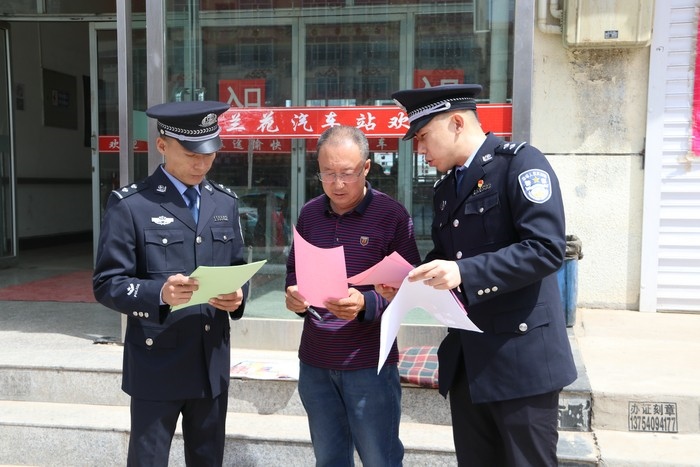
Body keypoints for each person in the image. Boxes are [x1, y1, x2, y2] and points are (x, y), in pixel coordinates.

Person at [386, 84, 577, 466]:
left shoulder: (520, 165)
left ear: (457, 123)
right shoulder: (446, 188)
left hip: (521, 360)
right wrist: (408, 284)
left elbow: (545, 249)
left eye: (424, 136)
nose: (420, 149)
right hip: (469, 361)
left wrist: (462, 271)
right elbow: (448, 256)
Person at [93, 100, 249, 466]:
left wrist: (238, 296)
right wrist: (159, 293)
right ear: (162, 145)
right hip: (156, 363)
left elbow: (238, 267)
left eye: (209, 154)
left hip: (210, 361)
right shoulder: (131, 205)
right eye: (191, 154)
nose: (201, 164)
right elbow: (107, 283)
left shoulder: (224, 203)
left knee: (208, 459)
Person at [284, 125, 421, 467]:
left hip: (368, 365)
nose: (338, 184)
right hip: (315, 362)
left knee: (380, 459)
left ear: (367, 167)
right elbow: (293, 272)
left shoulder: (392, 216)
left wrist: (366, 304)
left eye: (347, 173)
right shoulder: (310, 214)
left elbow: (411, 287)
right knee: (329, 459)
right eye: (328, 174)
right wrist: (294, 296)